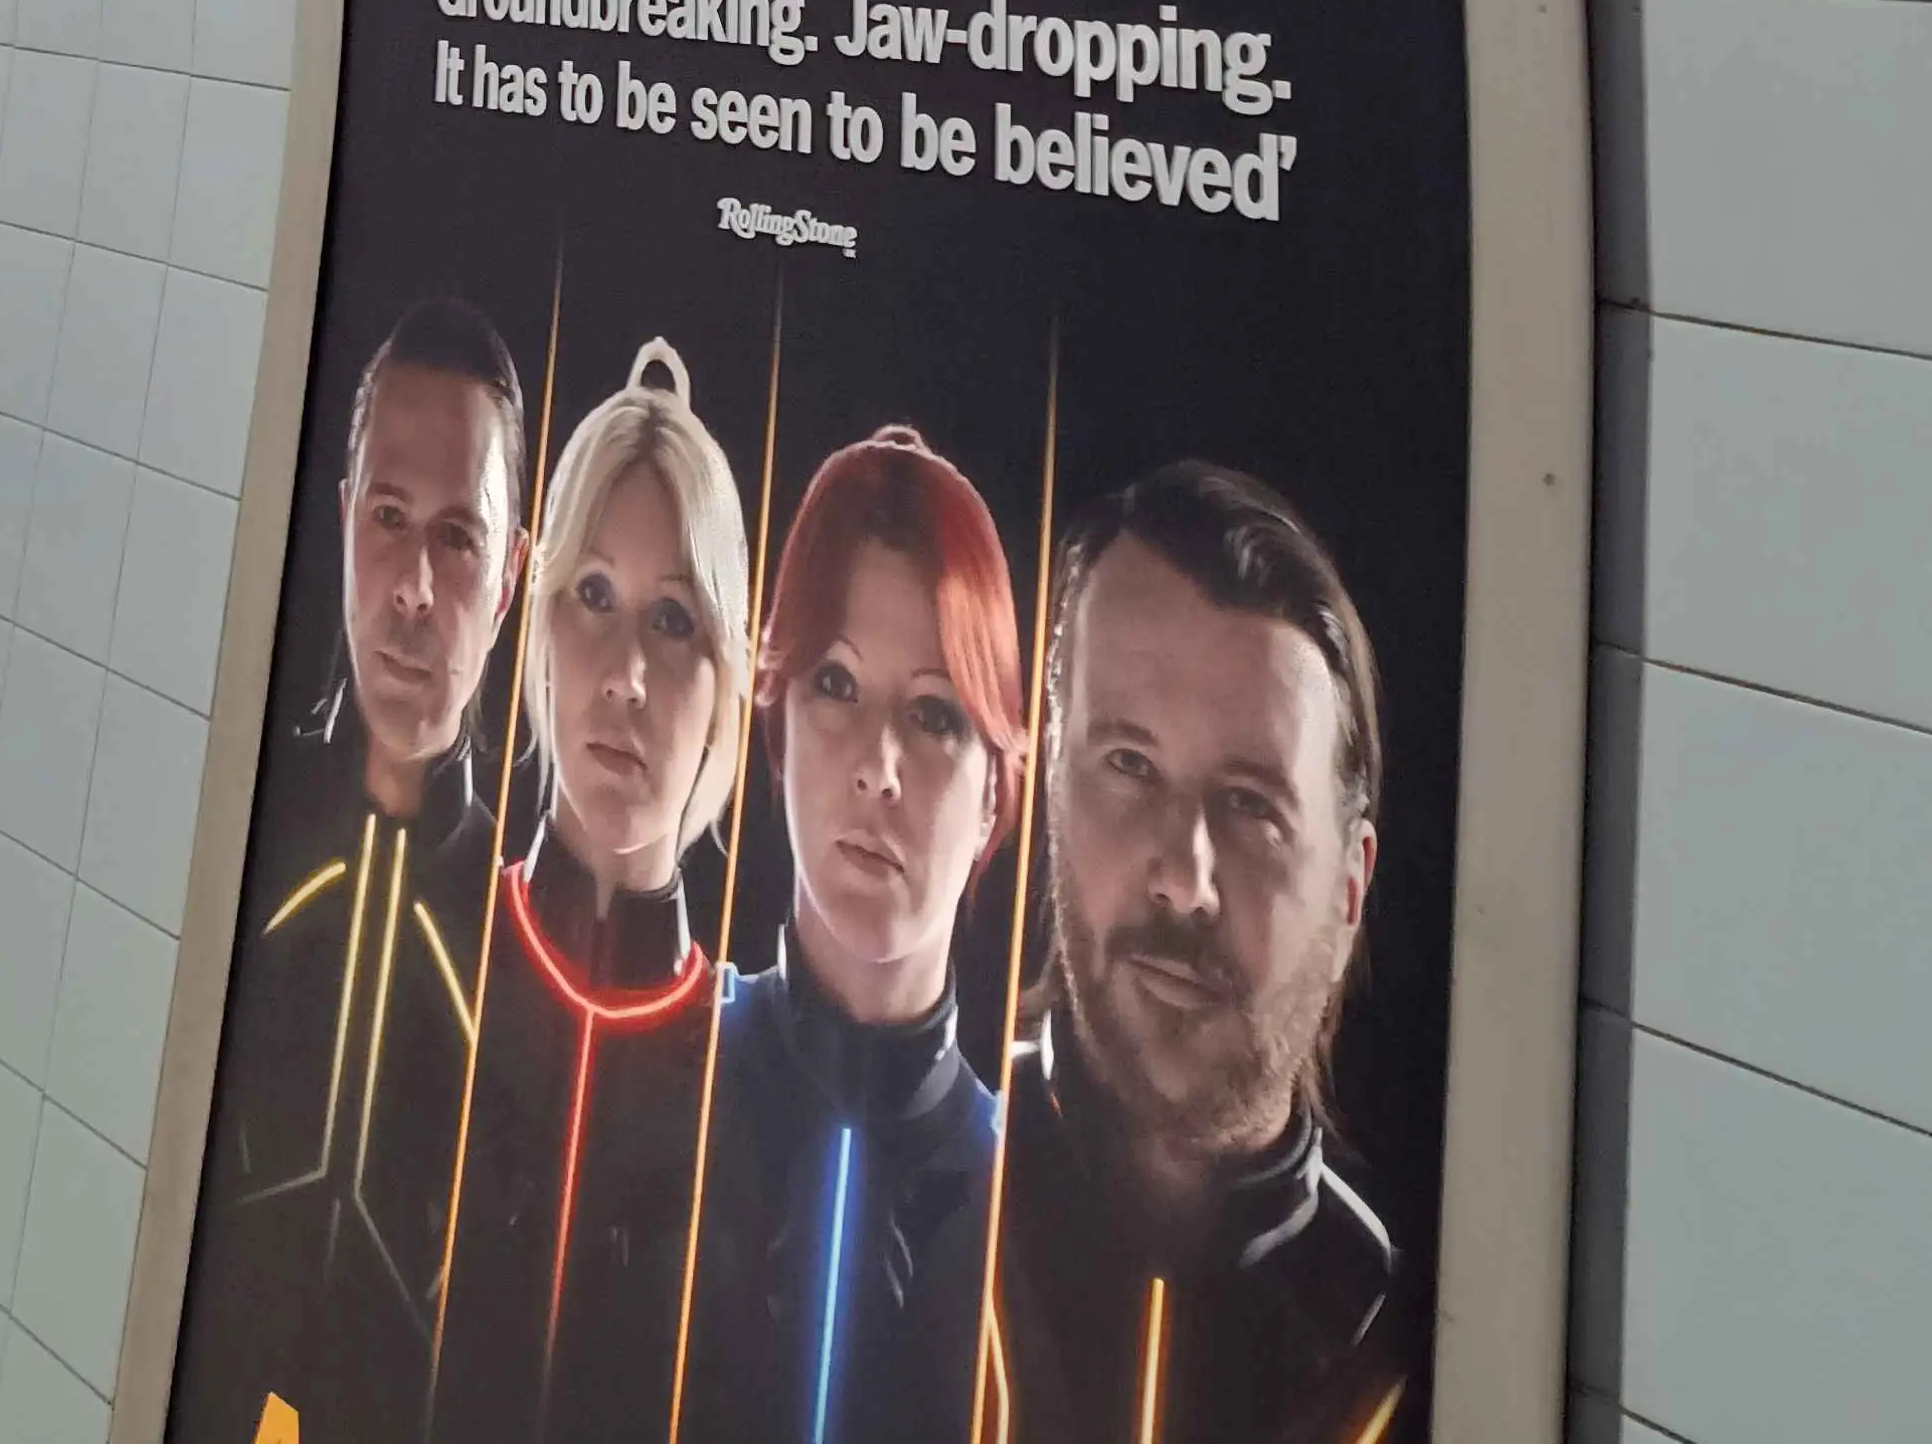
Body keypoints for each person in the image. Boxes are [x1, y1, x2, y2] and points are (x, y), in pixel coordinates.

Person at [176, 299, 529, 1444]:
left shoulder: (537, 943)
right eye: (389, 517)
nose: (416, 589)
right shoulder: (229, 827)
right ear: (342, 521)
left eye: (459, 536)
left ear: (514, 572)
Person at [996, 463, 1401, 1444]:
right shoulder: (894, 1195)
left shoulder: (1404, 1337)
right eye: (1130, 764)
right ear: (1053, 787)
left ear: (1350, 889)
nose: (1184, 877)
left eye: (1252, 804)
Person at [684, 427, 1028, 1444]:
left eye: (933, 713)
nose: (880, 762)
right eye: (836, 683)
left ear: (996, 791)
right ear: (777, 729)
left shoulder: (1040, 1205)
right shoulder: (651, 1068)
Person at [435, 338, 752, 1444]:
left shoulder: (757, 1075)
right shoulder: (431, 953)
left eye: (672, 619)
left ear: (730, 675)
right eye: (595, 596)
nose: (626, 677)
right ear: (540, 618)